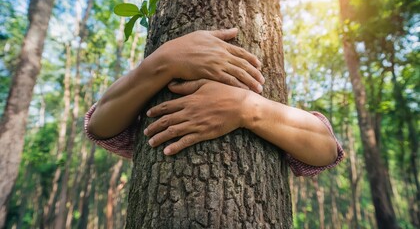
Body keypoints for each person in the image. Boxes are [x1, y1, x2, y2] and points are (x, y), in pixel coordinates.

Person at [84, 28, 344, 177]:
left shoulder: (276, 114)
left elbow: (326, 149)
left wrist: (247, 107)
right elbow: (101, 125)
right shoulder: (147, 101)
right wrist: (163, 61)